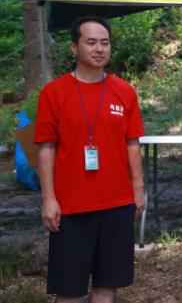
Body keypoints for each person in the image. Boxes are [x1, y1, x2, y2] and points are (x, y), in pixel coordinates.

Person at [34, 16, 145, 303]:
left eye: (105, 43)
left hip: (117, 204)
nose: (99, 49)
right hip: (71, 207)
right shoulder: (53, 93)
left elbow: (132, 143)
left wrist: (138, 190)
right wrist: (48, 199)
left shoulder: (124, 91)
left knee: (107, 286)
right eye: (91, 42)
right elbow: (46, 148)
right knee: (69, 290)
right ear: (74, 47)